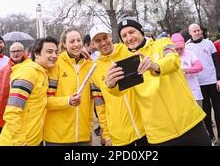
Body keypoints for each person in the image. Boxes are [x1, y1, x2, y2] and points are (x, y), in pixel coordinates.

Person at [106, 18, 210, 146]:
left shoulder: (163, 43)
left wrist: (155, 66)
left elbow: (173, 60)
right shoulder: (127, 62)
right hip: (160, 135)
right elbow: (120, 91)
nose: (129, 37)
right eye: (124, 36)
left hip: (190, 122)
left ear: (141, 31)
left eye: (131, 32)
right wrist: (111, 86)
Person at [89, 24, 147, 146]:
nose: (103, 43)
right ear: (93, 44)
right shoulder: (94, 69)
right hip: (120, 133)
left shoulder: (128, 50)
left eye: (105, 37)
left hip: (146, 125)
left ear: (110, 36)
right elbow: (100, 105)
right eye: (98, 40)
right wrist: (106, 134)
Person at [0, 39, 58, 146]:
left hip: (33, 140)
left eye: (56, 52)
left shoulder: (42, 73)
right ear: (36, 54)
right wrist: (19, 142)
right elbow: (12, 112)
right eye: (49, 52)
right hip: (18, 142)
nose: (54, 55)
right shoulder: (28, 72)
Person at [43, 28, 96, 145]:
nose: (76, 44)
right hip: (57, 138)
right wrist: (68, 101)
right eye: (72, 41)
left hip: (83, 137)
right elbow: (46, 101)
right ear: (64, 44)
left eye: (79, 40)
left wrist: (89, 128)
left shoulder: (89, 65)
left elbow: (91, 102)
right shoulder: (55, 64)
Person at [185, 23, 220, 146]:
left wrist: (219, 79)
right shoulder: (188, 47)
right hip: (199, 84)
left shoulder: (209, 44)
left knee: (217, 108)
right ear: (190, 33)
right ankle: (212, 136)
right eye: (194, 31)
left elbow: (216, 62)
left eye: (198, 30)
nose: (197, 33)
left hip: (212, 81)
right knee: (206, 110)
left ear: (201, 31)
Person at [171, 33, 204, 107]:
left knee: (199, 117)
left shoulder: (190, 54)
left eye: (181, 48)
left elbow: (200, 66)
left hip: (194, 92)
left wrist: (187, 70)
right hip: (179, 94)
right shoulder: (170, 57)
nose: (179, 51)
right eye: (176, 49)